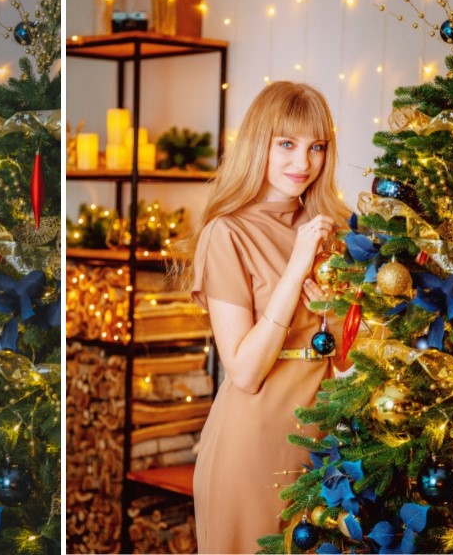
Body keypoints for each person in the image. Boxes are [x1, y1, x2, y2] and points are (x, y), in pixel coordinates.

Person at [183, 81, 353, 553]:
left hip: (327, 448)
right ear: (259, 143)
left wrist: (335, 311)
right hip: (251, 447)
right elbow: (244, 371)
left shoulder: (335, 231)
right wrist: (297, 266)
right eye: (287, 144)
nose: (303, 163)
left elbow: (349, 359)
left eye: (316, 147)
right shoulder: (227, 233)